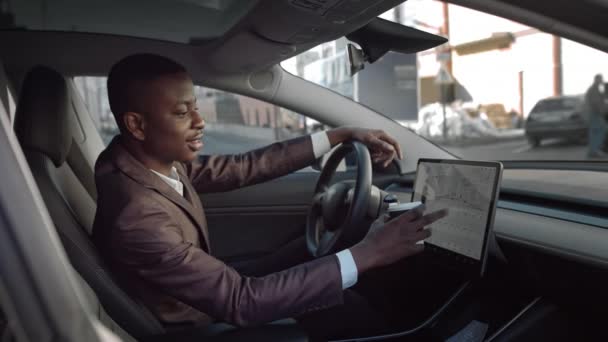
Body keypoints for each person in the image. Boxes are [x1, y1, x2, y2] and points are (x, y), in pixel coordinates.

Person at [92, 53, 447, 339]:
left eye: (195, 106)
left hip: (202, 297)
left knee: (306, 251)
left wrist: (337, 135)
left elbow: (244, 166)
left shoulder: (143, 162)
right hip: (200, 325)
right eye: (183, 112)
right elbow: (240, 301)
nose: (200, 121)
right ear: (137, 125)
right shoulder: (138, 217)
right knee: (342, 305)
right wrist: (372, 251)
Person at [584, 74, 608, 158]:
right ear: (597, 80)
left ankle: (593, 151)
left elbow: (601, 99)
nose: (602, 81)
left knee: (595, 132)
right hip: (594, 114)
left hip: (593, 114)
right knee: (602, 130)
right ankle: (594, 151)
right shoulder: (594, 90)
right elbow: (596, 103)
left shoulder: (595, 89)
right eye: (601, 79)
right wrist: (603, 111)